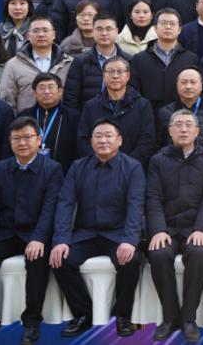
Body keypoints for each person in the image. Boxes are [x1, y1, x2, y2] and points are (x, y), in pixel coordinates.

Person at [0, 117, 63, 345]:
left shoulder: (52, 169)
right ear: (10, 142)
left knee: (38, 260)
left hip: (34, 234)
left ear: (39, 140)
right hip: (6, 233)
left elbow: (50, 208)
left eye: (27, 137)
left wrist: (39, 238)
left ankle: (31, 322)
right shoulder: (0, 168)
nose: (22, 143)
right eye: (16, 138)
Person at [50, 119, 145, 338]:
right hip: (86, 234)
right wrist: (61, 240)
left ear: (119, 140)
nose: (103, 140)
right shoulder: (78, 167)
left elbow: (136, 205)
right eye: (98, 136)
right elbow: (65, 203)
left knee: (131, 260)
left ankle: (122, 315)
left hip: (118, 234)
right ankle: (83, 313)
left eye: (108, 135)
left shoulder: (132, 167)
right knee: (60, 259)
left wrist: (130, 240)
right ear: (91, 141)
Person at [146, 109, 203, 343]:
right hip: (167, 228)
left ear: (197, 131)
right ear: (170, 131)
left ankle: (189, 318)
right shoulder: (158, 160)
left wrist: (201, 229)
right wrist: (158, 229)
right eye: (178, 124)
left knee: (198, 253)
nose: (184, 129)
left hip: (195, 228)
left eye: (189, 124)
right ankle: (170, 317)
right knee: (158, 254)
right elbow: (153, 198)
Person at [77, 56, 157, 168]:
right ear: (104, 76)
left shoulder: (142, 105)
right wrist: (101, 163)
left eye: (120, 72)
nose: (115, 76)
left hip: (132, 169)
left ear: (128, 76)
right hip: (98, 168)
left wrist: (128, 165)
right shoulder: (91, 106)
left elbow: (147, 141)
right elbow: (83, 140)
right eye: (110, 72)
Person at [129, 8, 201, 111]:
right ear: (155, 28)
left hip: (181, 115)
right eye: (163, 23)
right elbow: (133, 90)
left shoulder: (191, 59)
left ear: (179, 29)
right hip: (148, 113)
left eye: (172, 24)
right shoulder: (139, 59)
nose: (168, 27)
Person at [0, 15, 74, 111]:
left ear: (54, 35)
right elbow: (7, 101)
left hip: (61, 118)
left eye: (45, 30)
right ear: (28, 36)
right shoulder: (13, 65)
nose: (41, 34)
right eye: (36, 31)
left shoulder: (68, 63)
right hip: (25, 119)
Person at [64, 13, 132, 109]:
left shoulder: (129, 60)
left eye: (108, 29)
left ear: (117, 31)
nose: (104, 33)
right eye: (99, 29)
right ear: (93, 31)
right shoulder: (80, 61)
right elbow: (71, 97)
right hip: (90, 115)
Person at [16, 73, 80, 172]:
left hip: (64, 172)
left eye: (51, 87)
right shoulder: (24, 117)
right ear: (34, 93)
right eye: (41, 88)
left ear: (60, 91)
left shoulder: (73, 117)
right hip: (29, 172)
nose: (46, 91)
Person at [155, 66, 203, 152]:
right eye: (183, 82)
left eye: (193, 82)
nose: (188, 86)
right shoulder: (165, 112)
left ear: (201, 85)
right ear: (177, 85)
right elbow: (158, 145)